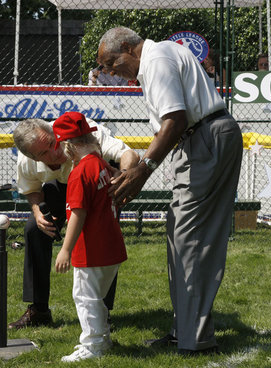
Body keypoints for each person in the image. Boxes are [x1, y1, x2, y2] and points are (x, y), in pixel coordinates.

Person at [98, 27, 243, 355]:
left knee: (189, 238)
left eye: (110, 63)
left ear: (128, 49)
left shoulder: (157, 57)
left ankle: (194, 339)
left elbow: (175, 120)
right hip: (201, 138)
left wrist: (143, 169)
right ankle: (185, 330)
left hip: (203, 137)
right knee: (183, 236)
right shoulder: (156, 59)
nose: (111, 72)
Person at [9, 115, 139, 329]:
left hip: (95, 179)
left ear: (54, 133)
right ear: (32, 157)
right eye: (43, 153)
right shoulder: (26, 162)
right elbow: (31, 189)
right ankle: (39, 310)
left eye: (53, 143)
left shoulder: (82, 133)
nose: (54, 153)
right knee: (34, 230)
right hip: (62, 184)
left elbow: (129, 154)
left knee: (99, 235)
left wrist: (122, 177)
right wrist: (38, 213)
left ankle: (102, 313)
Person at [53, 112, 128, 362]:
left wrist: (65, 250)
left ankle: (94, 345)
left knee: (85, 297)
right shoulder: (99, 162)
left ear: (71, 146)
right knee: (95, 297)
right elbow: (115, 178)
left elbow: (78, 214)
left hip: (92, 248)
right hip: (111, 245)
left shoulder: (80, 171)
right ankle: (102, 338)